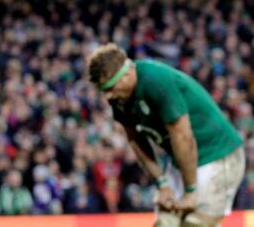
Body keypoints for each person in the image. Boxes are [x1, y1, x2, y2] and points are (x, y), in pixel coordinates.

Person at [87, 44, 245, 227]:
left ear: (128, 72)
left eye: (111, 87)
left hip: (217, 154)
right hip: (182, 161)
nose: (108, 96)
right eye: (104, 90)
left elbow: (183, 136)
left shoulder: (156, 80)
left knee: (195, 225)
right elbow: (135, 140)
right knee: (165, 224)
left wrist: (190, 190)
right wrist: (162, 183)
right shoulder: (119, 99)